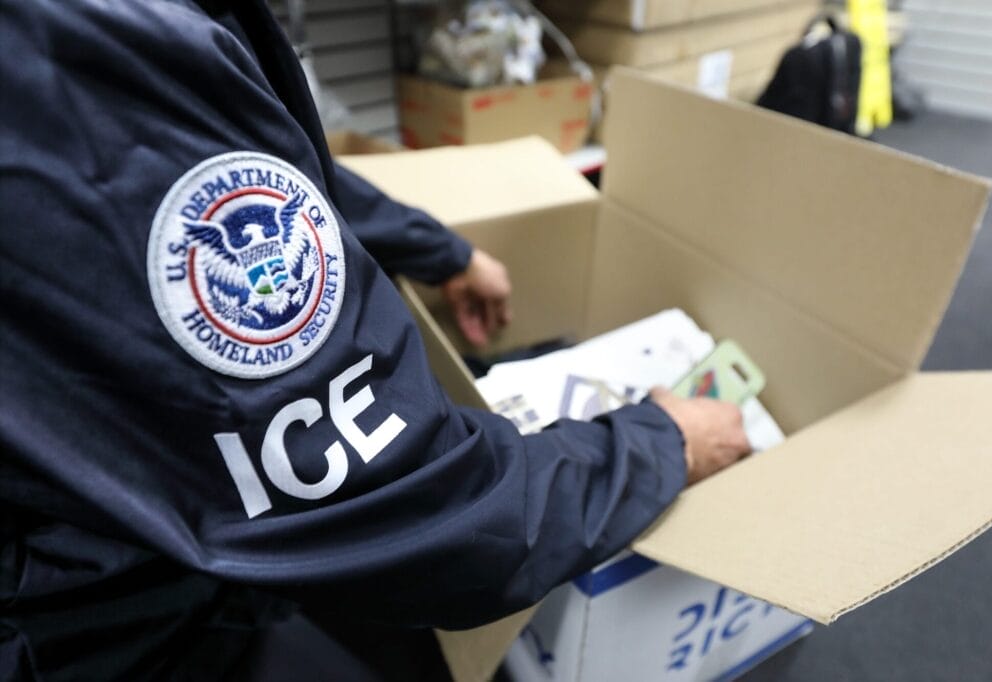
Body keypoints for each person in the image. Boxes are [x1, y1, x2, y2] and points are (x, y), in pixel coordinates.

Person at [0, 1, 751, 680]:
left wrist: (436, 248)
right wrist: (662, 445)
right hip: (109, 632)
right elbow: (423, 510)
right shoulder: (86, 38)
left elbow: (235, 152)